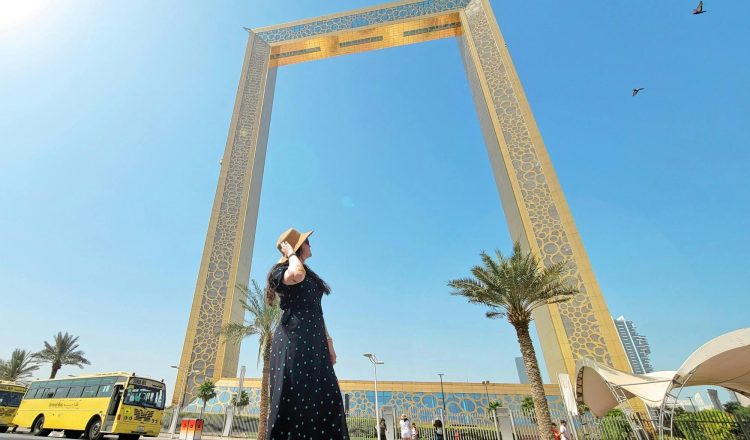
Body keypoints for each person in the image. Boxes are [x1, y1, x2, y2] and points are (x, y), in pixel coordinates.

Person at [266, 228, 349, 439]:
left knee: (327, 395)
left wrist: (329, 342)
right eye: (307, 241)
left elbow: (316, 310)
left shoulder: (308, 272)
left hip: (315, 339)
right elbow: (296, 274)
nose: (310, 245)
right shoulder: (282, 271)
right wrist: (291, 255)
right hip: (293, 339)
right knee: (295, 397)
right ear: (298, 247)